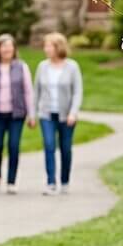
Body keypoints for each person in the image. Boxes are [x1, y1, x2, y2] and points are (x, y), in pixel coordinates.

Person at [34, 32, 83, 195]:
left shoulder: (72, 67)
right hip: (46, 114)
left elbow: (77, 92)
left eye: (49, 46)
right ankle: (51, 183)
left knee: (65, 148)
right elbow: (37, 92)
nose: (45, 49)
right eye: (45, 46)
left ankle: (65, 181)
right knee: (49, 146)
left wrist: (73, 113)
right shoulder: (42, 66)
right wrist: (32, 113)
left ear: (58, 47)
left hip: (66, 115)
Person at [0, 34, 35, 194]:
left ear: (14, 49)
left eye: (10, 46)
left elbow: (28, 91)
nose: (7, 49)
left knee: (13, 146)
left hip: (17, 114)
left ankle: (11, 181)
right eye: (3, 46)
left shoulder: (21, 67)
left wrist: (32, 114)